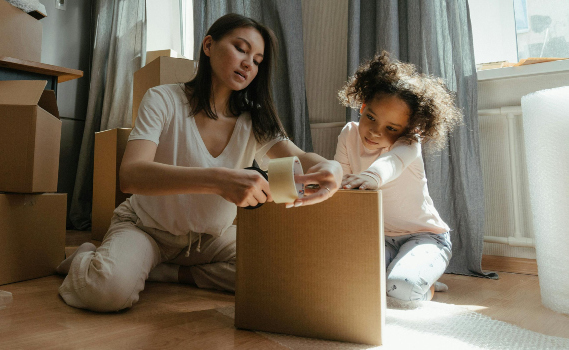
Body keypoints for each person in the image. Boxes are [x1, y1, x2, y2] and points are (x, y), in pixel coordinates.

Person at [55, 13, 343, 312]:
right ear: (208, 45)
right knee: (106, 293)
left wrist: (332, 167)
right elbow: (131, 175)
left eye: (257, 60)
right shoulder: (163, 99)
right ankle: (85, 257)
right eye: (241, 49)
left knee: (287, 273)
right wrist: (219, 180)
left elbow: (300, 157)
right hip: (147, 229)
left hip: (210, 240)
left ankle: (168, 273)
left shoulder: (255, 118)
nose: (249, 64)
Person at [335, 52, 463, 301]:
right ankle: (406, 272)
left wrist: (371, 177)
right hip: (378, 235)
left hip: (425, 236)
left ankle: (425, 284)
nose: (374, 131)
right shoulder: (348, 134)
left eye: (390, 128)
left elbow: (391, 163)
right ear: (362, 107)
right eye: (370, 117)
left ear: (408, 129)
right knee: (350, 281)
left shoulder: (409, 143)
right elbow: (342, 179)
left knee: (400, 291)